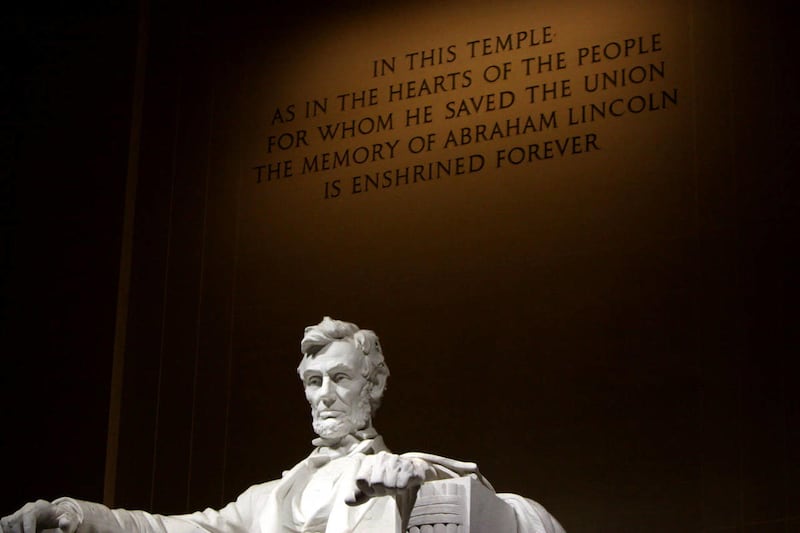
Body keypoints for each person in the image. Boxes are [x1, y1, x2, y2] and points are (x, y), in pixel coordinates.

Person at [1, 317, 565, 533]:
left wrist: (418, 491)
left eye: (340, 378)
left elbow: (504, 514)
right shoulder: (268, 498)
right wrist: (72, 513)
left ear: (372, 387)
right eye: (313, 381)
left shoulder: (409, 474)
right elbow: (161, 529)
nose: (324, 395)